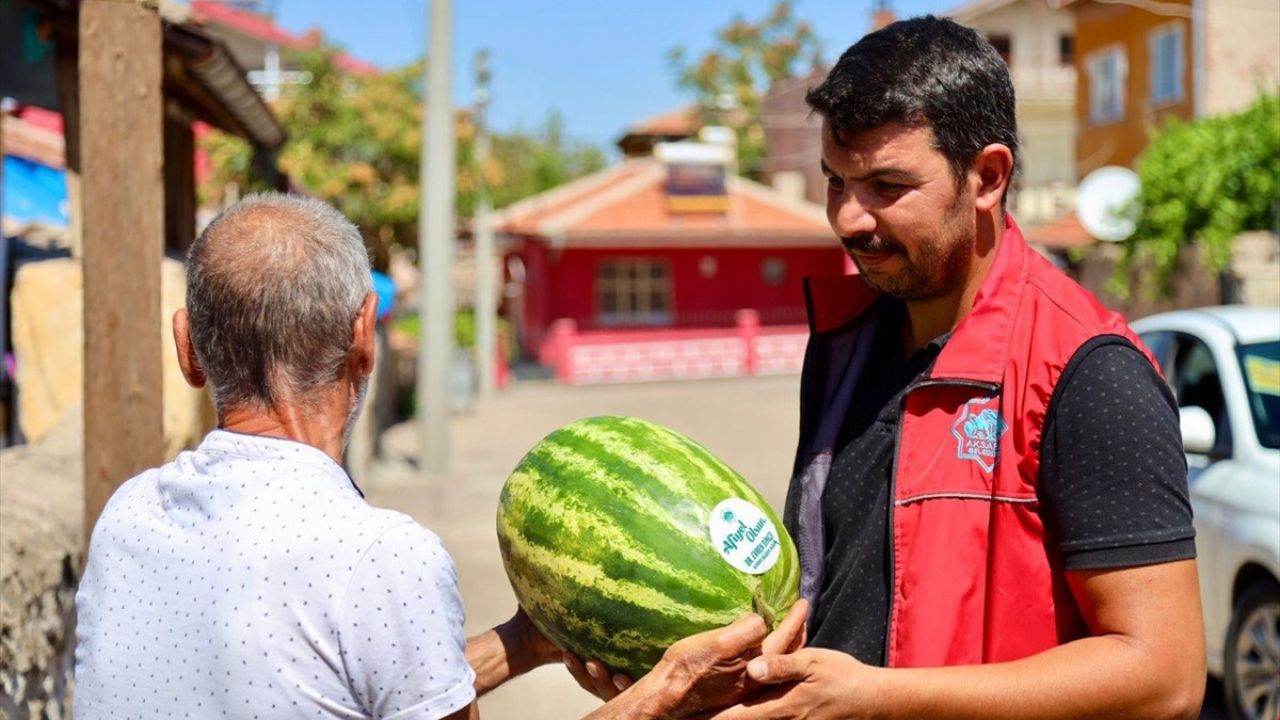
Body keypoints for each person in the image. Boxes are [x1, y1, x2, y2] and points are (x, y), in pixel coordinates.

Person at [73, 192, 804, 719]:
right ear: (366, 336)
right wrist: (662, 697)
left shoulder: (126, 518)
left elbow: (340, 685)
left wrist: (524, 642)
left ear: (186, 349)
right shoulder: (379, 556)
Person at [697, 16, 1205, 720]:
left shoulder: (1090, 374)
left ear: (988, 177)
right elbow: (837, 596)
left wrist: (880, 700)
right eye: (835, 182)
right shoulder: (846, 341)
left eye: (885, 186)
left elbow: (1164, 678)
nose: (849, 218)